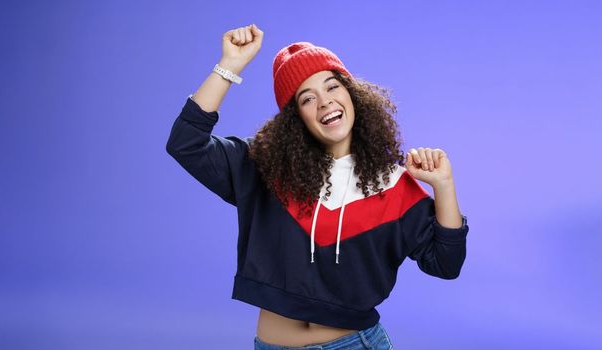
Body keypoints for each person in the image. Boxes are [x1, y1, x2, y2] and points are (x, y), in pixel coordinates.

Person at [166, 23, 469, 349]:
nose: (325, 102)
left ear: (353, 95)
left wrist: (444, 186)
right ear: (295, 117)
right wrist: (229, 66)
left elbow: (446, 264)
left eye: (333, 87)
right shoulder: (266, 168)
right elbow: (186, 143)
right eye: (307, 98)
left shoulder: (392, 185)